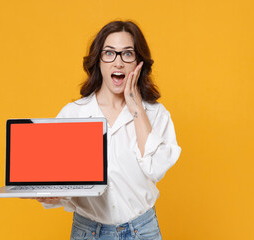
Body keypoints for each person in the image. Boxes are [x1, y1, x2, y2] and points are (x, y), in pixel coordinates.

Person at [33, 20, 181, 240]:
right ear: (98, 61)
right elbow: (61, 182)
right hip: (88, 232)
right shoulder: (74, 114)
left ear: (138, 63)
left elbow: (155, 169)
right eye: (109, 53)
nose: (118, 63)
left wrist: (136, 107)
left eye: (127, 54)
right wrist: (52, 196)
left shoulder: (156, 114)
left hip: (143, 232)